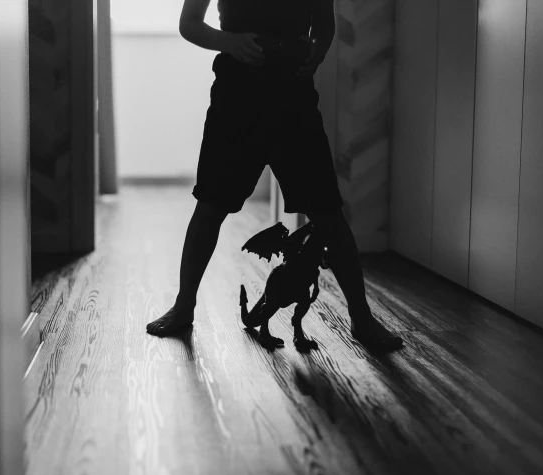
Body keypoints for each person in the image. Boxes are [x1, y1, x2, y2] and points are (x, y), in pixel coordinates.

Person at [146, 0, 402, 351]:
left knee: (328, 213)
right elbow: (189, 23)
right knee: (210, 207)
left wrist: (318, 55)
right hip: (235, 101)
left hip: (294, 102)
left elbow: (324, 25)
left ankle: (362, 318)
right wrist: (229, 42)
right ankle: (183, 307)